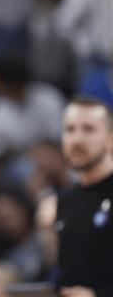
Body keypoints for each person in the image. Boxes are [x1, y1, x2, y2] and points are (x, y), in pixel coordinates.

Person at [56, 97, 113, 296]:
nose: (77, 139)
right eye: (70, 130)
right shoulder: (65, 200)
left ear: (110, 138)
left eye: (88, 129)